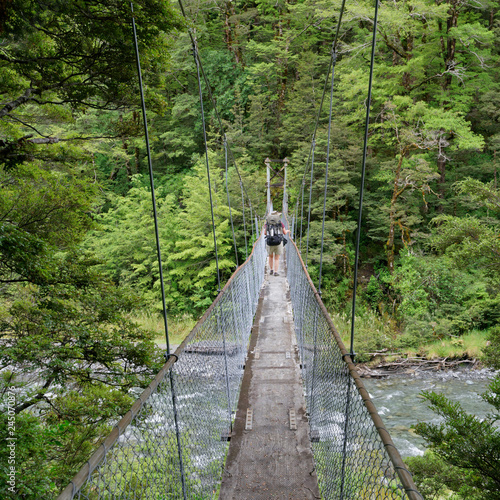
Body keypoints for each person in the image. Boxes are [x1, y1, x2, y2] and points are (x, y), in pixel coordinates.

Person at [264, 211, 289, 276]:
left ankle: (271, 270)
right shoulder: (280, 223)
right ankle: (275, 272)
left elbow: (265, 233)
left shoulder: (267, 223)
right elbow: (284, 232)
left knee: (270, 256)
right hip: (278, 242)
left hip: (270, 242)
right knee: (277, 258)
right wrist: (288, 231)